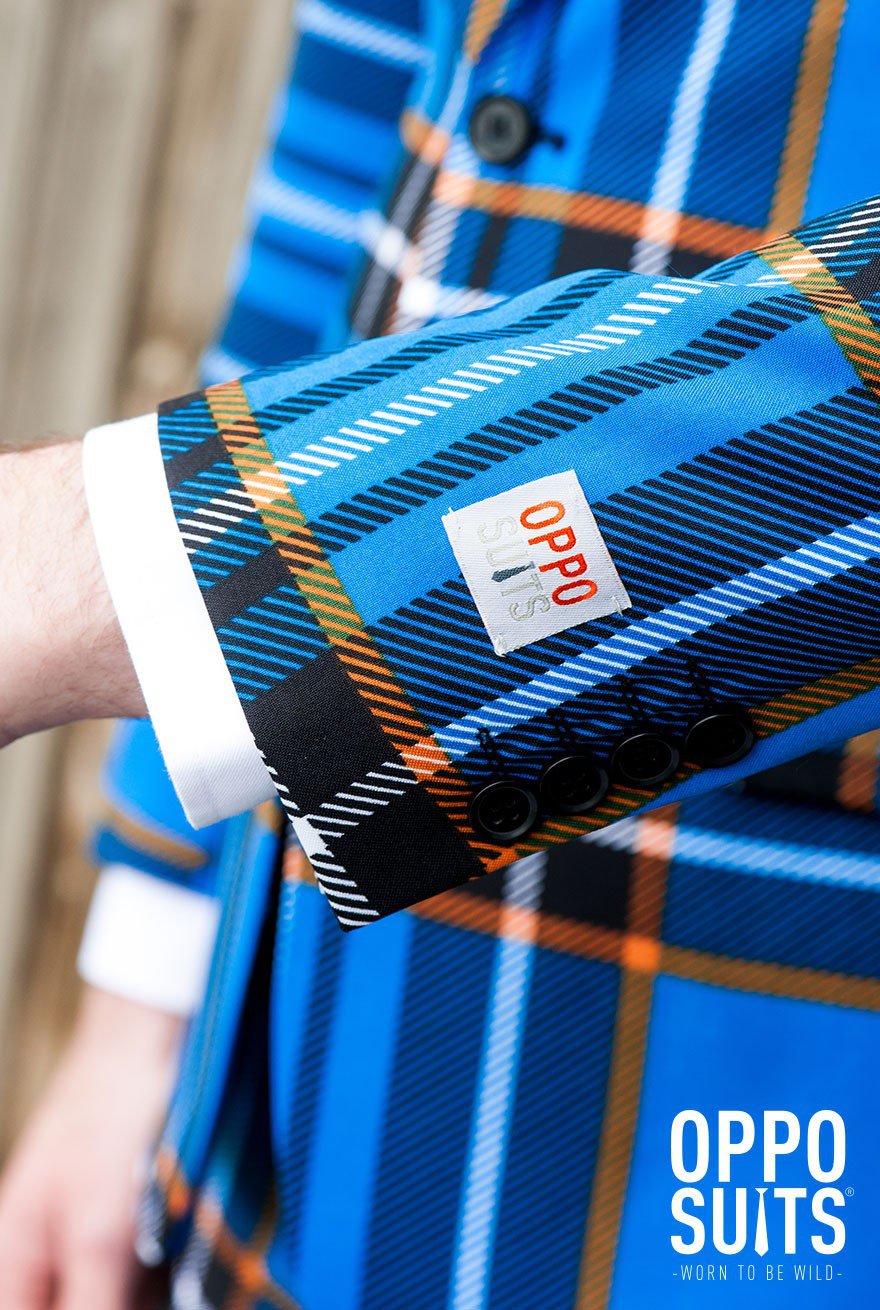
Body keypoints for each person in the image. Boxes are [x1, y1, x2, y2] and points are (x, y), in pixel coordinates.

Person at [1, 0, 880, 1305]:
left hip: (744, 1052)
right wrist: (152, 960)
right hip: (286, 1046)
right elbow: (355, 164)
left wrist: (110, 570)